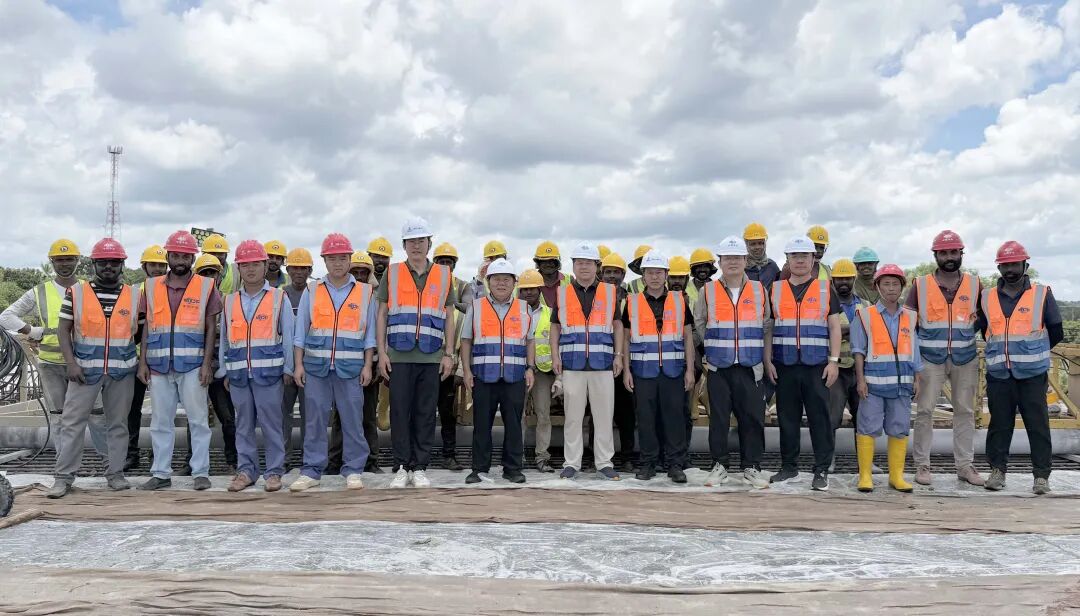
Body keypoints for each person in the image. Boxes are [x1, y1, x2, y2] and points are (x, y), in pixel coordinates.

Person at [47, 239, 140, 498]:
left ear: (122, 265)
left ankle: (116, 474)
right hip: (84, 372)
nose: (109, 266)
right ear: (94, 264)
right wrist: (71, 363)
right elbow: (63, 331)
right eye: (103, 262)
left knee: (118, 424)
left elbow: (141, 331)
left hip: (122, 372)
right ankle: (63, 478)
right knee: (72, 422)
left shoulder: (135, 296)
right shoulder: (76, 293)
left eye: (114, 262)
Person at [0, 239, 109, 459]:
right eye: (59, 260)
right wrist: (33, 331)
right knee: (59, 416)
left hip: (85, 362)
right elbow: (6, 316)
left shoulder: (90, 290)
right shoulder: (39, 292)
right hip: (51, 364)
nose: (64, 264)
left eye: (69, 259)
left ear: (77, 261)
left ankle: (109, 461)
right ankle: (64, 463)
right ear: (52, 262)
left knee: (97, 414)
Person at [290, 233, 376, 492]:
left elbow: (369, 335)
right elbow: (300, 332)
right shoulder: (312, 290)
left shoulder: (365, 292)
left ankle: (354, 469)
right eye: (332, 258)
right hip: (316, 368)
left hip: (350, 369)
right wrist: (298, 365)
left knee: (352, 420)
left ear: (350, 260)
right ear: (324, 261)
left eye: (342, 258)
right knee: (314, 421)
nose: (337, 263)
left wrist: (367, 365)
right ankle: (311, 470)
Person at [137, 230, 222, 491]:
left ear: (192, 258)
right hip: (159, 366)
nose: (181, 260)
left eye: (186, 256)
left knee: (198, 421)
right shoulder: (151, 286)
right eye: (176, 255)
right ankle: (161, 473)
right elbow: (147, 326)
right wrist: (143, 362)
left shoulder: (206, 286)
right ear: (168, 256)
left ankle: (201, 472)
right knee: (160, 422)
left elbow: (211, 327)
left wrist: (207, 364)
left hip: (193, 366)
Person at [376, 216, 457, 489]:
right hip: (399, 355)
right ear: (404, 245)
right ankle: (402, 466)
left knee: (425, 413)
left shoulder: (443, 275)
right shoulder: (392, 273)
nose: (416, 246)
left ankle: (420, 466)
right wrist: (382, 353)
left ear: (429, 243)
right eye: (411, 241)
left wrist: (449, 354)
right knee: (400, 413)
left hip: (431, 356)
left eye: (421, 240)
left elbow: (449, 316)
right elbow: (382, 313)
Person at [977, 241, 1063, 495]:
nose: (1010, 270)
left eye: (1014, 264)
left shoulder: (1041, 294)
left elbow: (1055, 329)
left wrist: (1031, 352)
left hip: (1032, 375)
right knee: (999, 425)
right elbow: (986, 330)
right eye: (1005, 265)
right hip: (999, 374)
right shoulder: (987, 297)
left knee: (1038, 425)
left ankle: (1041, 476)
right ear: (999, 268)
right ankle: (997, 471)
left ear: (1025, 265)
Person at [906, 230, 984, 487]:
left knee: (965, 411)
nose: (949, 257)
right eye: (943, 253)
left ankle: (965, 465)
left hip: (965, 357)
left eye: (953, 252)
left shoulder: (975, 284)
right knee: (925, 411)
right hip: (930, 358)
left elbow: (985, 318)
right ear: (935, 255)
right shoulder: (920, 285)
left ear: (961, 254)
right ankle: (922, 465)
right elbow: (908, 324)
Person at [765, 236, 842, 491]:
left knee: (820, 419)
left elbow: (834, 327)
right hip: (784, 365)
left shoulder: (825, 289)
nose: (800, 260)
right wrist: (768, 360)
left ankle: (821, 469)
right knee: (787, 419)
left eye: (805, 256)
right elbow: (769, 328)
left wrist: (833, 361)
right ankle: (789, 467)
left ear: (813, 259)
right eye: (795, 256)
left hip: (816, 366)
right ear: (787, 259)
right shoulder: (775, 290)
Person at [694, 236, 770, 489]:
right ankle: (720, 465)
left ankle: (752, 467)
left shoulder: (759, 290)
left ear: (745, 260)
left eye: (737, 257)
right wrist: (715, 347)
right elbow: (700, 323)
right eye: (727, 258)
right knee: (718, 419)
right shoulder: (707, 291)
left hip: (750, 366)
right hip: (719, 367)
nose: (733, 262)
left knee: (753, 419)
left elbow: (766, 324)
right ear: (720, 262)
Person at [220, 241, 294, 493]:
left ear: (265, 266)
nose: (250, 269)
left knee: (272, 424)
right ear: (238, 268)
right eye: (245, 265)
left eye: (255, 264)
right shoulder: (229, 301)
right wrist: (225, 370)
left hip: (269, 375)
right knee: (243, 425)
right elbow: (225, 339)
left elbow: (289, 335)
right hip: (239, 375)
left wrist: (288, 369)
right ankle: (246, 471)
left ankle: (274, 472)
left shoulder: (278, 298)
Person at [550, 243, 624, 480]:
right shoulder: (562, 293)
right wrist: (555, 356)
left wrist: (619, 356)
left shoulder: (609, 292)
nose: (584, 267)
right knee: (573, 417)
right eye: (579, 263)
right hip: (572, 364)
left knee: (604, 416)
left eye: (588, 263)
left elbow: (617, 326)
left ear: (597, 266)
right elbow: (555, 327)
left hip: (602, 363)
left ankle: (604, 463)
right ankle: (571, 463)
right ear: (573, 266)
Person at [622, 250, 695, 483]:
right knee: (645, 419)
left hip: (673, 371)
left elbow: (688, 337)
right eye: (650, 273)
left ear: (666, 275)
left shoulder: (680, 301)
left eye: (659, 272)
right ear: (643, 276)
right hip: (643, 372)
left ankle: (675, 464)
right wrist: (626, 371)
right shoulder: (632, 303)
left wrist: (690, 370)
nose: (654, 277)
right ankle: (648, 463)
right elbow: (625, 339)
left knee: (675, 418)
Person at [460, 258, 535, 484]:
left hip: (515, 376)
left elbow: (530, 341)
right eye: (496, 279)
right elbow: (466, 340)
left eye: (506, 279)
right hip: (484, 375)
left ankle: (512, 468)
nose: (501, 284)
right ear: (488, 282)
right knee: (482, 424)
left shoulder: (524, 308)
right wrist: (466, 371)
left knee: (514, 424)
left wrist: (530, 368)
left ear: (514, 283)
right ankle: (479, 468)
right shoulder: (476, 307)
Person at [852, 264, 923, 493]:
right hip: (873, 385)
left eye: (895, 284)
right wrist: (860, 380)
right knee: (867, 427)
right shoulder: (865, 316)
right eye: (886, 284)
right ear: (878, 287)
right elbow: (858, 351)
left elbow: (914, 350)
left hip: (902, 385)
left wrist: (917, 378)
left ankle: (896, 477)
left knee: (899, 427)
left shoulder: (910, 317)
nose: (891, 288)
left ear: (902, 287)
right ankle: (865, 476)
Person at [123, 245, 169, 471]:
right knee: (133, 409)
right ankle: (131, 454)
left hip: (163, 359)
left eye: (161, 265)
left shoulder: (171, 291)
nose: (158, 269)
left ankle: (157, 454)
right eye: (153, 264)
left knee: (162, 410)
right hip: (137, 359)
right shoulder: (134, 293)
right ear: (144, 267)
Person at [828, 258, 874, 473]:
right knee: (832, 417)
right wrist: (853, 329)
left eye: (847, 278)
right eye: (839, 279)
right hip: (835, 370)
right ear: (832, 281)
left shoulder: (865, 305)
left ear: (854, 279)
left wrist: (841, 331)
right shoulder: (826, 306)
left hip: (860, 370)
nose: (843, 282)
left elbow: (872, 332)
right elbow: (826, 332)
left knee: (863, 418)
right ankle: (827, 459)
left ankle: (865, 462)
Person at [432, 242, 470, 471]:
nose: (445, 265)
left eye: (449, 262)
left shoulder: (462, 291)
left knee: (447, 414)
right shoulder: (427, 290)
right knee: (422, 412)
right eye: (441, 261)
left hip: (449, 365)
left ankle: (449, 455)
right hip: (426, 363)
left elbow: (465, 337)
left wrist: (460, 370)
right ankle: (420, 457)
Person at [518, 269, 559, 472]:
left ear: (540, 290)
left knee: (543, 415)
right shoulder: (514, 312)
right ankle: (516, 456)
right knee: (517, 415)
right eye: (524, 289)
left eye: (532, 289)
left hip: (542, 372)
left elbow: (556, 343)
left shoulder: (550, 314)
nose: (528, 293)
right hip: (518, 371)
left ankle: (542, 457)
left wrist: (558, 375)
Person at [602, 252, 636, 471]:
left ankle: (627, 457)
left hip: (627, 361)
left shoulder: (631, 299)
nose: (612, 276)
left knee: (626, 413)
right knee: (599, 413)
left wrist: (624, 360)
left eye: (616, 272)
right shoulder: (596, 297)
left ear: (623, 275)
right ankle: (596, 456)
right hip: (601, 361)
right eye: (608, 272)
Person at [281, 247, 313, 467]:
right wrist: (287, 366)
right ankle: (283, 459)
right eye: (295, 268)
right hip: (285, 366)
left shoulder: (316, 294)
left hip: (309, 365)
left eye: (303, 268)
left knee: (309, 415)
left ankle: (308, 459)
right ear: (288, 270)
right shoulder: (280, 295)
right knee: (282, 415)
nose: (299, 272)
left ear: (310, 271)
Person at [533, 240, 573, 310]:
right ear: (538, 263)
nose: (548, 264)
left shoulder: (570, 280)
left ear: (558, 263)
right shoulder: (530, 282)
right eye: (544, 261)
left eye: (552, 261)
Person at [743, 223, 780, 289]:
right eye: (753, 244)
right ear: (746, 245)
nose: (757, 247)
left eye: (760, 243)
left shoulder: (772, 266)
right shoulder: (741, 268)